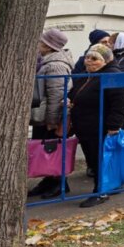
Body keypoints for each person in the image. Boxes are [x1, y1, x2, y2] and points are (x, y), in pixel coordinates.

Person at [68, 44, 124, 207]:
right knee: (95, 160)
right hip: (86, 126)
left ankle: (100, 192)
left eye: (94, 58)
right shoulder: (87, 75)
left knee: (99, 161)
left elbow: (120, 103)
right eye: (87, 57)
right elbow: (74, 93)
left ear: (106, 61)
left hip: (101, 127)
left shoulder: (112, 76)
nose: (89, 61)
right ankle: (110, 186)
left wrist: (114, 126)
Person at [27, 28, 74, 199]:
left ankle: (60, 183)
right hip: (43, 114)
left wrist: (53, 120)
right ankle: (48, 180)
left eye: (41, 42)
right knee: (44, 149)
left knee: (53, 150)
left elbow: (57, 94)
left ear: (49, 46)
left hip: (50, 116)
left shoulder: (56, 65)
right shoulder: (46, 61)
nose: (38, 44)